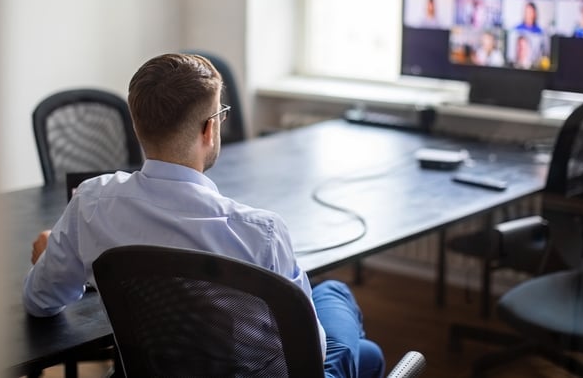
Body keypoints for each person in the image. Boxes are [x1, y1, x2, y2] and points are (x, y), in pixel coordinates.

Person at [22, 53, 386, 378]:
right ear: (209, 129)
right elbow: (311, 356)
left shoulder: (92, 203)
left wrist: (52, 255)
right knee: (336, 297)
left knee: (366, 353)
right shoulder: (261, 232)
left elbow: (39, 302)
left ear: (136, 126)